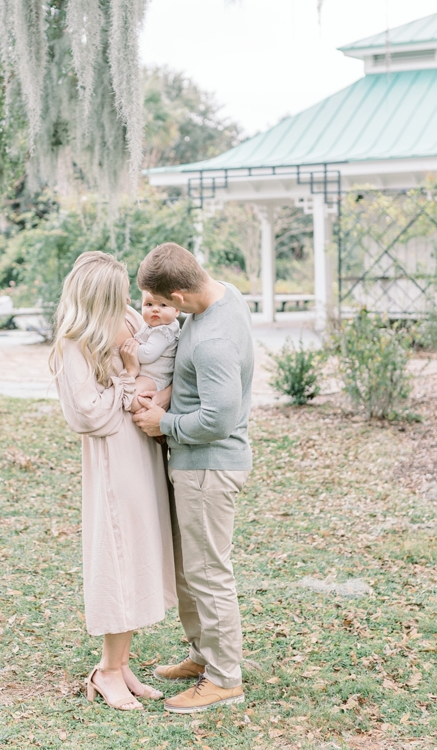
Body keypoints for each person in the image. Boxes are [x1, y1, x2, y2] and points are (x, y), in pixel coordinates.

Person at [130, 242, 255, 715]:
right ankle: (204, 656)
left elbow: (218, 419)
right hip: (195, 465)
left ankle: (224, 679)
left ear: (177, 297)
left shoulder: (214, 340)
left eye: (158, 301)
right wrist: (166, 395)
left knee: (207, 574)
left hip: (209, 466)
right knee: (190, 570)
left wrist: (165, 424)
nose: (153, 310)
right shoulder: (224, 296)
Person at [50, 251, 175, 711]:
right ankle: (105, 671)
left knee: (139, 549)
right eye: (118, 288)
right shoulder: (74, 340)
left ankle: (121, 665)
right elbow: (86, 414)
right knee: (120, 554)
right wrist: (126, 382)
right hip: (112, 456)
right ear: (97, 295)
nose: (128, 297)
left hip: (141, 446)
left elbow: (155, 363)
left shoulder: (126, 317)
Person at [132, 290, 182, 407]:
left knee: (133, 399)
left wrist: (131, 348)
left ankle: (150, 406)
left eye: (163, 305)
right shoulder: (151, 326)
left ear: (176, 310)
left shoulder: (164, 331)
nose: (155, 309)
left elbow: (148, 354)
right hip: (147, 374)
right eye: (149, 304)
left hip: (154, 377)